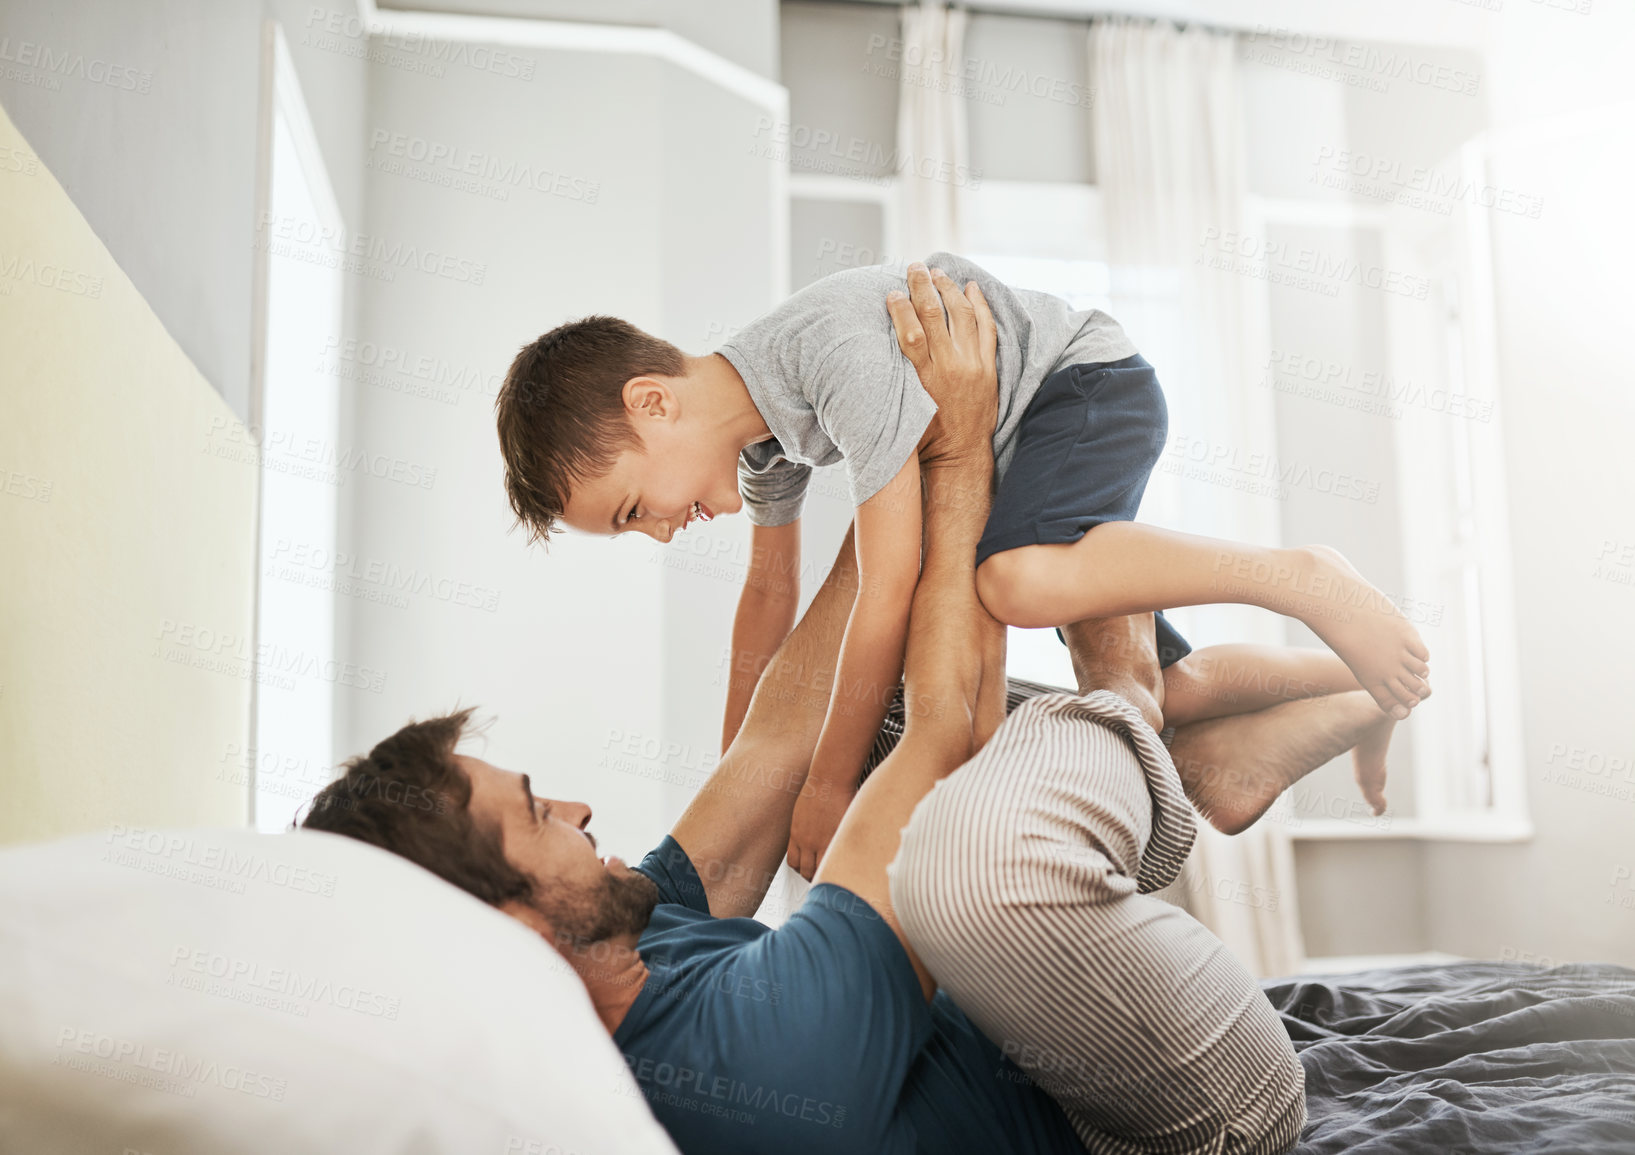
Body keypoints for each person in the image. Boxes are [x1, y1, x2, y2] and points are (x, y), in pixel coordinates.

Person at [305, 274, 1397, 1154]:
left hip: (1073, 1025)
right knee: (955, 863)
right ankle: (1143, 707)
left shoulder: (631, 930)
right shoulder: (742, 1078)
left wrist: (907, 453)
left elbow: (781, 721)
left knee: (852, 722)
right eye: (538, 813)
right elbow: (946, 728)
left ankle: (1206, 756)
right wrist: (960, 444)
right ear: (515, 929)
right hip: (1182, 1120)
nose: (581, 808)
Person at [493, 255, 1429, 877]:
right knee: (1168, 688)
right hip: (1028, 448)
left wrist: (823, 785)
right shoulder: (764, 446)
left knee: (1012, 582)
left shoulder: (828, 358)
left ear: (652, 403)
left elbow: (891, 582)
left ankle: (1300, 574)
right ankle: (1363, 686)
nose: (658, 531)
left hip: (1077, 390)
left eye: (630, 510)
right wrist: (745, 775)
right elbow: (765, 596)